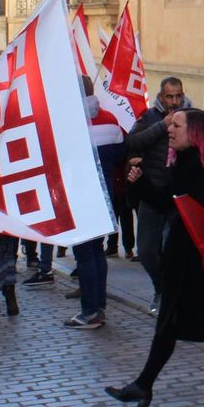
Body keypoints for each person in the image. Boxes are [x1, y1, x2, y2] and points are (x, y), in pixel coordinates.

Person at [105, 109, 204, 407]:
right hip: (181, 255)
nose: (169, 130)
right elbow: (167, 199)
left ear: (196, 131)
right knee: (170, 321)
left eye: (176, 125)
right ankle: (144, 385)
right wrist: (139, 183)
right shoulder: (182, 160)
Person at [123, 77, 189, 313]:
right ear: (161, 97)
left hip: (179, 199)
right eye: (169, 96)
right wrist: (163, 125)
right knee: (147, 250)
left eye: (178, 96)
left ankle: (172, 297)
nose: (174, 101)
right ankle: (161, 288)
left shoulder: (193, 117)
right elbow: (131, 141)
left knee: (173, 251)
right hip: (152, 195)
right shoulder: (149, 117)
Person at [66, 76, 125, 329]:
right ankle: (98, 307)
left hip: (81, 197)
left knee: (85, 256)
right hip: (106, 196)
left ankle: (90, 311)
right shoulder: (111, 120)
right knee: (97, 252)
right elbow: (122, 153)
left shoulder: (68, 123)